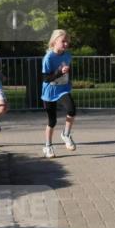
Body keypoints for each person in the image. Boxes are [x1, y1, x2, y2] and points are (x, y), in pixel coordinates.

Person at [41, 29, 77, 159]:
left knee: (71, 110)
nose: (66, 44)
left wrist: (68, 79)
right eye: (63, 41)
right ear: (54, 42)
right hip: (50, 92)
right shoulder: (48, 58)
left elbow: (68, 70)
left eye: (67, 41)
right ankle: (48, 146)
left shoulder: (67, 55)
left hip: (63, 89)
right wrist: (60, 72)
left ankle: (66, 134)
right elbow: (46, 78)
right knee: (52, 121)